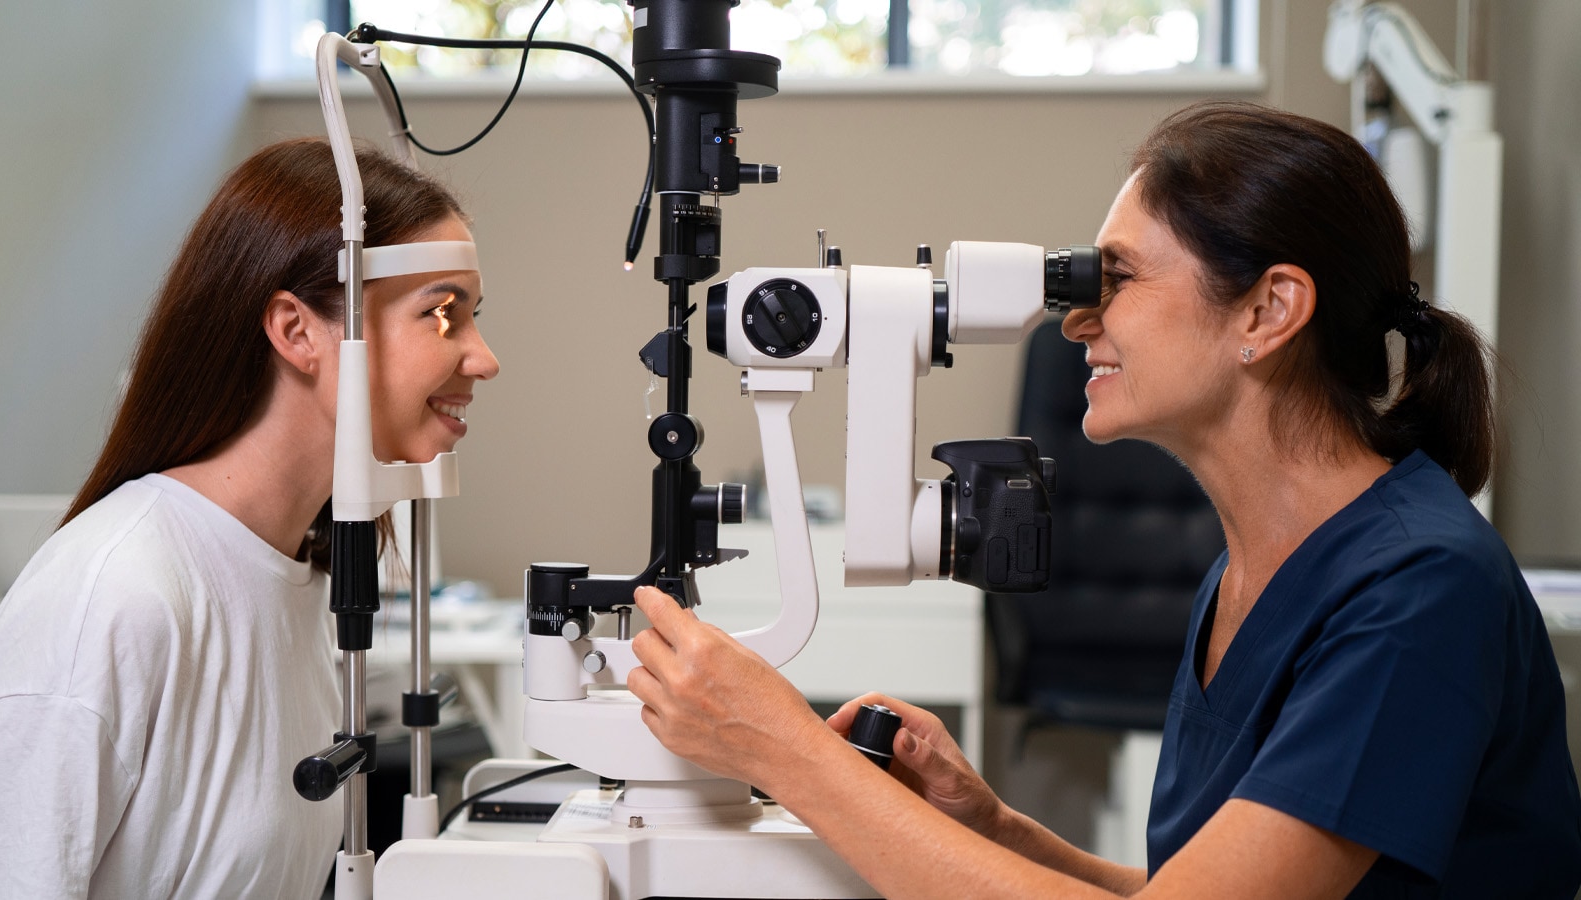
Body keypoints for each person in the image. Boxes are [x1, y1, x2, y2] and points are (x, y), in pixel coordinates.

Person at [624, 101, 1581, 898]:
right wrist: (995, 826)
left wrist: (787, 750)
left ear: (1267, 311)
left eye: (1114, 278)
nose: (1077, 318)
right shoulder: (1256, 568)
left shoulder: (1417, 593)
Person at [0, 138, 499, 898]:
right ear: (297, 331)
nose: (484, 358)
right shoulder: (116, 594)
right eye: (442, 315)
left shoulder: (292, 576)